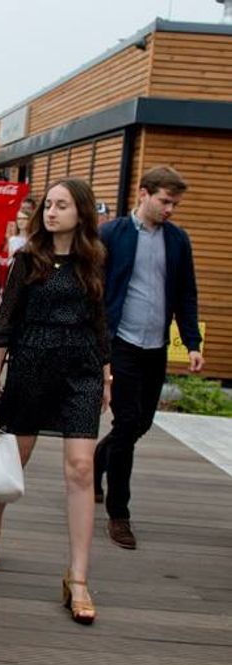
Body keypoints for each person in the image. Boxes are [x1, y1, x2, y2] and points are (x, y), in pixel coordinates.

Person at [0, 178, 111, 626]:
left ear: (81, 212)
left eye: (62, 205)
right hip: (33, 363)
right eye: (49, 205)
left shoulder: (95, 259)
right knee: (16, 457)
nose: (52, 212)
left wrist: (106, 372)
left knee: (81, 468)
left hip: (81, 368)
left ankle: (77, 577)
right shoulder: (28, 258)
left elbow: (100, 320)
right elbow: (6, 318)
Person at [93, 166, 203, 550]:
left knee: (140, 423)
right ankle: (119, 514)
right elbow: (94, 289)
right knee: (126, 424)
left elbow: (186, 294)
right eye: (164, 201)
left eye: (175, 203)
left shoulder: (177, 240)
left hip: (155, 345)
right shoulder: (112, 234)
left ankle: (97, 461)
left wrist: (192, 343)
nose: (170, 209)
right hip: (120, 342)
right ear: (143, 193)